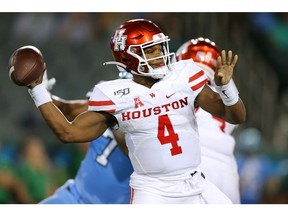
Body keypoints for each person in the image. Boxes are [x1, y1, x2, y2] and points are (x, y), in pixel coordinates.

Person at [18, 18, 246, 204]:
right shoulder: (115, 96)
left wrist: (226, 87)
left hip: (195, 181)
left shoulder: (182, 77)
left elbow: (237, 116)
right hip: (151, 190)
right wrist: (38, 90)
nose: (160, 55)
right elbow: (69, 131)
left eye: (160, 48)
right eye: (151, 50)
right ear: (129, 57)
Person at [39, 72, 133, 204]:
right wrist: (40, 91)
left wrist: (114, 114)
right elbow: (68, 111)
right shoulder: (107, 105)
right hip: (74, 197)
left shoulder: (150, 123)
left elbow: (128, 146)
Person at [176, 37, 241, 204]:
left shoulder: (182, 83)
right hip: (228, 169)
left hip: (196, 165)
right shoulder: (226, 90)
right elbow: (237, 116)